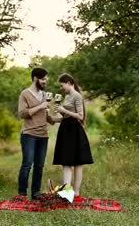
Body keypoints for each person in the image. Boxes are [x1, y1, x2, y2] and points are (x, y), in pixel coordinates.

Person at [52, 73, 94, 203]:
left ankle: (76, 192)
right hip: (65, 130)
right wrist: (54, 117)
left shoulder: (77, 96)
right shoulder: (68, 96)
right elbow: (66, 117)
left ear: (69, 82)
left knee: (77, 163)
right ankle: (67, 191)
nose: (62, 87)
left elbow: (80, 116)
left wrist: (64, 110)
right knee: (66, 162)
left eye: (62, 84)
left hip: (74, 131)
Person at [17, 67, 54, 200]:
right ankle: (22, 193)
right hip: (29, 134)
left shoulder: (44, 95)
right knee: (27, 164)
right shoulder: (25, 94)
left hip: (43, 135)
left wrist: (58, 118)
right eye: (43, 79)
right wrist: (41, 106)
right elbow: (22, 113)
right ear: (35, 79)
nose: (45, 82)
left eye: (46, 79)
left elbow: (46, 114)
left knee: (39, 165)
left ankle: (35, 193)